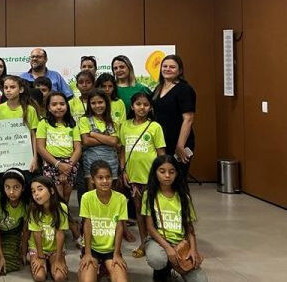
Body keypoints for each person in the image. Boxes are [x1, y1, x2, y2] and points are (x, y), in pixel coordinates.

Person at [142, 156, 207, 282]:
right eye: (162, 171)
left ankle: (170, 268)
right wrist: (167, 248)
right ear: (155, 173)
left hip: (180, 243)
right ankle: (162, 272)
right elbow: (150, 227)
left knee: (201, 280)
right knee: (157, 259)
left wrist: (193, 250)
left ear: (177, 173)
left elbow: (189, 228)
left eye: (172, 172)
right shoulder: (149, 195)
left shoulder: (183, 197)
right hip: (159, 241)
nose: (167, 175)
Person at [119, 92, 166, 259]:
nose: (142, 107)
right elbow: (123, 150)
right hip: (134, 178)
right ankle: (144, 242)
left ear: (150, 107)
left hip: (151, 178)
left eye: (146, 105)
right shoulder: (124, 126)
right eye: (138, 104)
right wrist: (123, 170)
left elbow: (161, 154)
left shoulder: (155, 127)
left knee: (154, 211)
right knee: (139, 211)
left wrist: (161, 175)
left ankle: (160, 242)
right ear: (132, 106)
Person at [78, 160, 129, 282]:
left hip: (111, 250)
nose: (105, 181)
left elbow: (120, 227)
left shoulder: (120, 198)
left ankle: (106, 268)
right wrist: (88, 253)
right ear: (92, 180)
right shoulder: (87, 198)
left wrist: (116, 253)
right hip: (93, 249)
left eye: (108, 177)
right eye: (100, 178)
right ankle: (98, 268)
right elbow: (87, 225)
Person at [151, 55, 197, 172]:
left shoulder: (184, 89)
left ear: (180, 70)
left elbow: (188, 119)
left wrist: (180, 145)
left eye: (172, 67)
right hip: (162, 141)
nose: (167, 69)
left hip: (178, 141)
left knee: (177, 178)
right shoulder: (158, 88)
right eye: (165, 66)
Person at [36, 92, 81, 203]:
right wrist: (58, 164)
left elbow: (78, 148)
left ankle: (67, 218)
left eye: (62, 104)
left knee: (66, 197)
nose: (59, 107)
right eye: (54, 104)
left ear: (67, 105)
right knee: (56, 196)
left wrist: (68, 167)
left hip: (70, 164)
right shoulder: (44, 123)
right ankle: (58, 219)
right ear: (49, 108)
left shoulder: (72, 124)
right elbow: (40, 147)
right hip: (51, 162)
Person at [0, 169, 28, 275]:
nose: (11, 192)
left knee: (14, 264)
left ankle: (6, 256)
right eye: (7, 187)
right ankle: (0, 257)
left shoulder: (26, 203)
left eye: (16, 187)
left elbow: (25, 229)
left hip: (12, 233)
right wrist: (0, 257)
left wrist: (23, 251)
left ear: (23, 188)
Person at [26, 176, 69, 282]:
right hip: (37, 248)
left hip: (55, 249)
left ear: (51, 190)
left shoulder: (62, 207)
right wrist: (40, 257)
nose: (36, 193)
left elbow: (60, 234)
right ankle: (37, 259)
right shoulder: (33, 209)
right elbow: (36, 234)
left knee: (60, 277)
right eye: (33, 191)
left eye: (40, 189)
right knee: (39, 277)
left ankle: (52, 262)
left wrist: (58, 259)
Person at [0, 76, 40, 172]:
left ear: (21, 89)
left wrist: (35, 158)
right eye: (6, 88)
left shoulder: (30, 110)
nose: (8, 90)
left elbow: (33, 136)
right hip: (5, 156)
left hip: (25, 156)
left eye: (12, 87)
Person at [79, 89, 121, 190]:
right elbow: (86, 141)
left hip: (111, 161)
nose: (97, 106)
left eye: (100, 102)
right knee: (92, 193)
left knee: (110, 192)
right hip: (91, 161)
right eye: (93, 103)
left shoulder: (112, 122)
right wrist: (107, 139)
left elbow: (114, 141)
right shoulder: (84, 120)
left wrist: (93, 134)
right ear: (89, 105)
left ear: (106, 103)